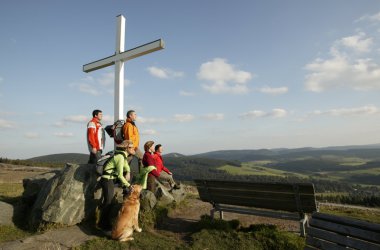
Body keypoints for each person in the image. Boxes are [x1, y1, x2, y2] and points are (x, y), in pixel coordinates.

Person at [98, 140, 134, 231]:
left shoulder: (122, 156)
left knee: (131, 175)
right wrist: (129, 185)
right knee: (108, 201)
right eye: (131, 147)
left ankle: (126, 196)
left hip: (111, 178)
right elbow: (120, 175)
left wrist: (128, 172)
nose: (134, 149)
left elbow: (126, 167)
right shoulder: (120, 157)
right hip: (107, 179)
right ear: (126, 148)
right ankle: (103, 224)